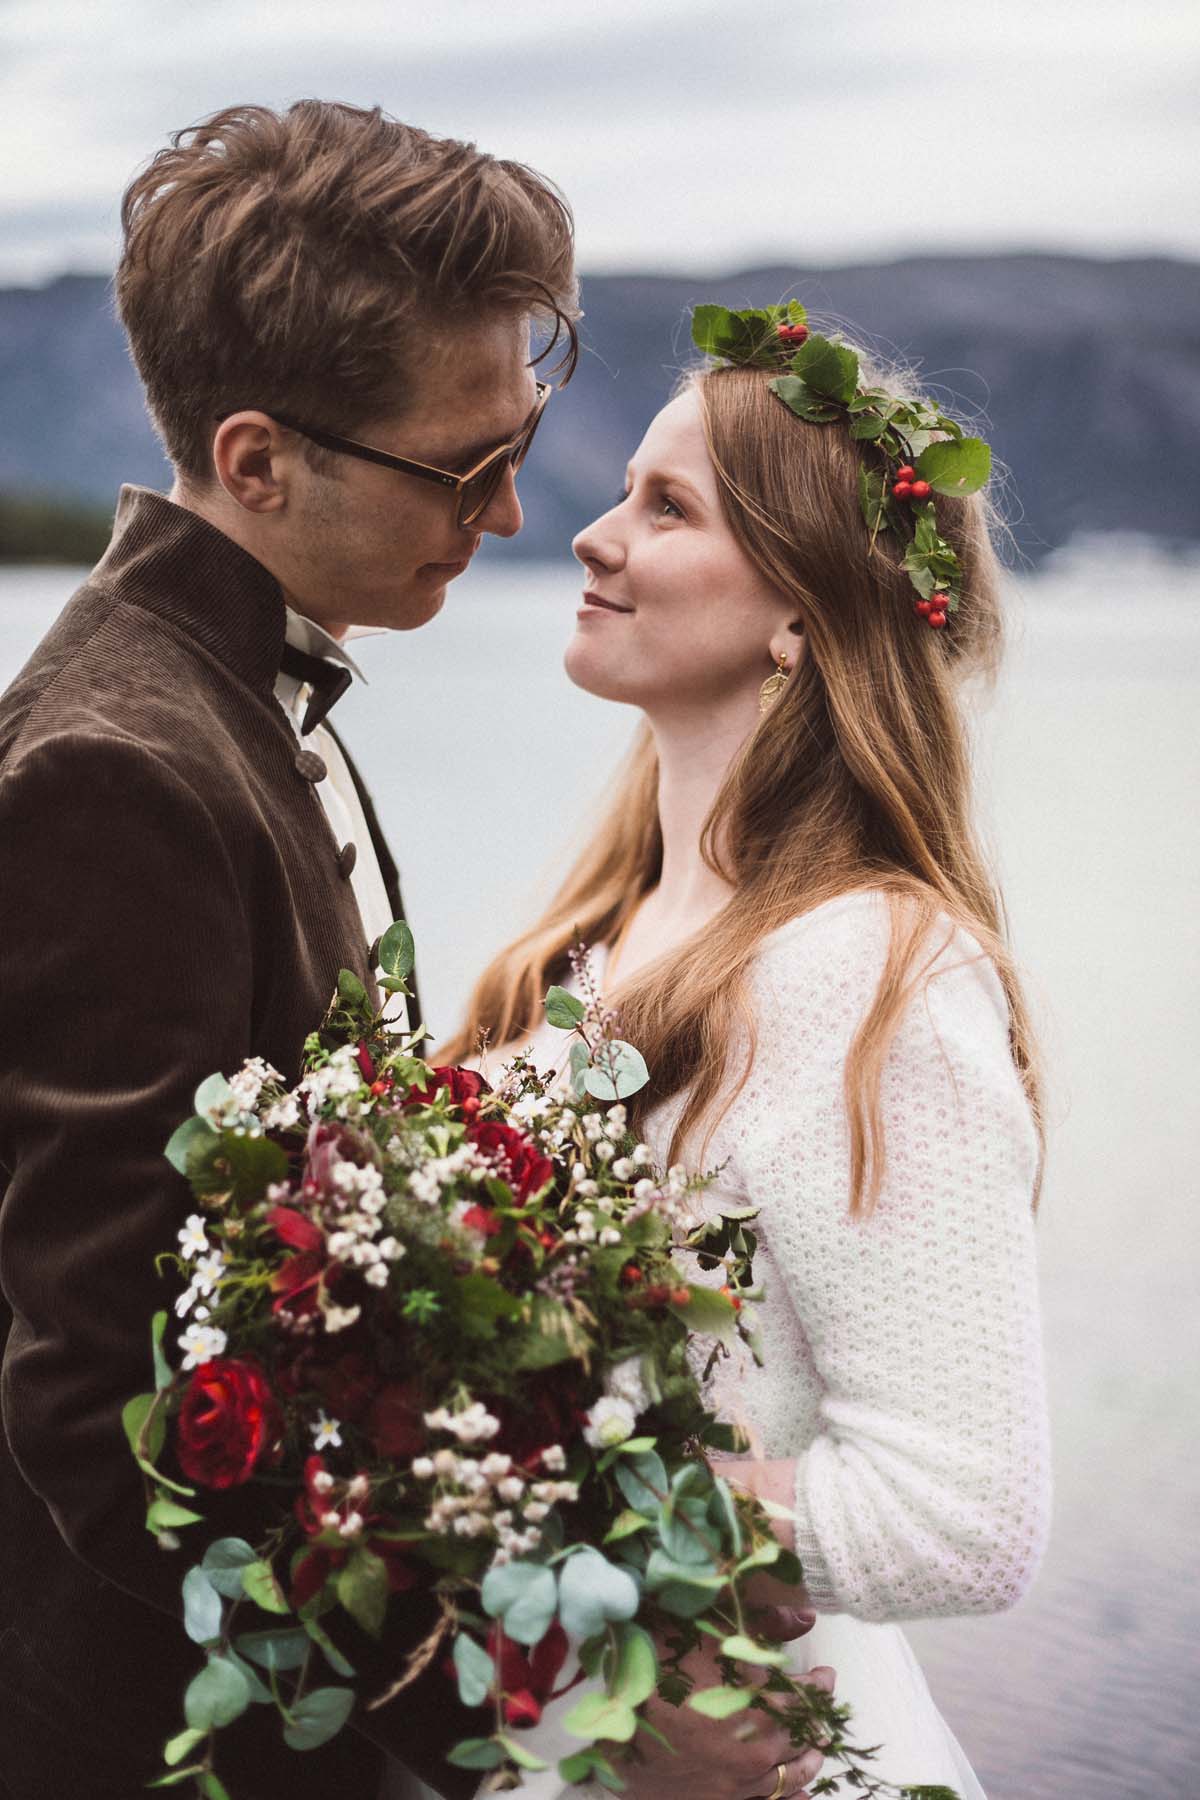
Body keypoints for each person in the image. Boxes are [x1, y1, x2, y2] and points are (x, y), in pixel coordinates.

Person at [0, 102, 826, 1800]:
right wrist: (517, 1722)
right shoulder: (111, 771)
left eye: (519, 442)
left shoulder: (238, 691)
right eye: (463, 469)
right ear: (256, 463)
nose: (517, 514)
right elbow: (95, 1408)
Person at [439, 313, 1054, 1796]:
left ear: (800, 612)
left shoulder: (875, 972)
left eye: (668, 508)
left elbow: (962, 1519)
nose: (590, 537)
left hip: (724, 1744)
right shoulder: (594, 933)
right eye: (623, 492)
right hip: (532, 1721)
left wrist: (548, 1499)